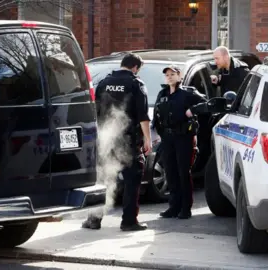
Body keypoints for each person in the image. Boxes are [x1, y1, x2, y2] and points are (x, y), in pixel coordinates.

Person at [82, 53, 151, 231]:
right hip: (128, 141)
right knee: (132, 180)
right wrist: (147, 139)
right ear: (135, 67)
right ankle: (129, 221)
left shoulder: (104, 82)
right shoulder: (136, 84)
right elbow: (143, 116)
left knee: (104, 179)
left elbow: (94, 111)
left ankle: (94, 220)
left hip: (106, 139)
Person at [152, 65, 208, 219]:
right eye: (167, 75)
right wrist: (158, 131)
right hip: (167, 138)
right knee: (170, 172)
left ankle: (185, 208)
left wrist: (193, 111)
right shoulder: (163, 93)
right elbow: (157, 114)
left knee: (183, 172)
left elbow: (206, 104)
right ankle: (173, 206)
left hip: (183, 137)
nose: (169, 77)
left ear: (179, 76)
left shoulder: (187, 93)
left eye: (172, 74)